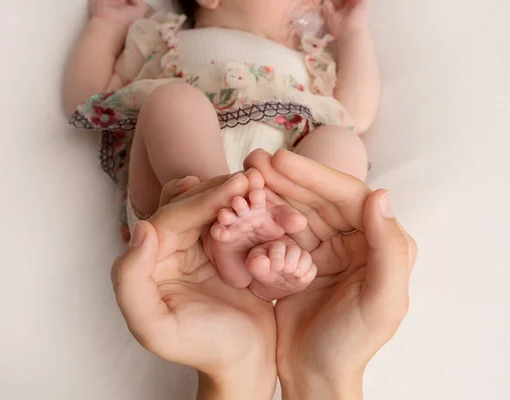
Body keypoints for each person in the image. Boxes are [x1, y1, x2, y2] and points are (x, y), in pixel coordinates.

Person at [64, 0, 380, 299]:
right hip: (177, 212)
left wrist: (352, 32)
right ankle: (220, 217)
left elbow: (357, 115)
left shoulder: (310, 62)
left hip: (279, 213)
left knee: (342, 142)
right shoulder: (165, 40)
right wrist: (107, 24)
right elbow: (87, 100)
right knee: (173, 103)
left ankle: (277, 250)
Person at [112, 149, 417, 399]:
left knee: (178, 110)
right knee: (341, 142)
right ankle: (266, 248)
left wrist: (240, 370)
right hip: (296, 150)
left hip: (205, 203)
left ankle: (235, 246)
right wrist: (322, 379)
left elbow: (81, 96)